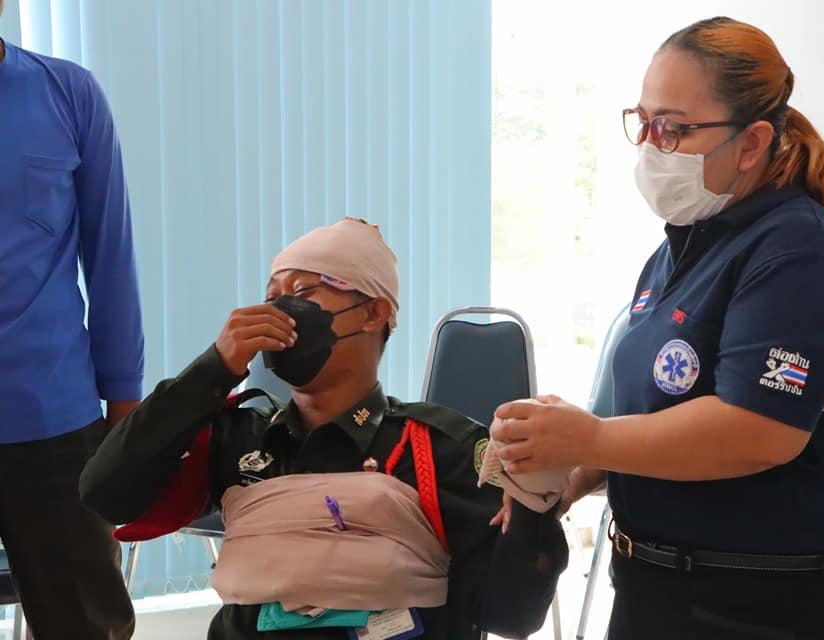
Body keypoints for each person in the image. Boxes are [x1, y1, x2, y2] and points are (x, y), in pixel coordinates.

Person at [491, 17, 824, 640]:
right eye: (642, 122)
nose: (650, 146)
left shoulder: (796, 250)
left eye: (672, 127)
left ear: (750, 143)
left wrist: (591, 439)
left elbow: (759, 430)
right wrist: (568, 470)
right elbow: (654, 413)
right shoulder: (685, 248)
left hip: (751, 604)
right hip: (653, 589)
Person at [80, 217, 567, 640]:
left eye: (302, 293)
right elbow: (104, 492)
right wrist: (214, 369)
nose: (278, 311)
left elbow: (512, 615)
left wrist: (535, 506)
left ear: (374, 312)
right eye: (271, 297)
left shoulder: (437, 449)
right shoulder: (242, 437)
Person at [0, 6, 143, 638]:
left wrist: (125, 404)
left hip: (56, 425)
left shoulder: (69, 93)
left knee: (86, 627)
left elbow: (111, 256)